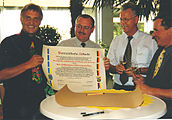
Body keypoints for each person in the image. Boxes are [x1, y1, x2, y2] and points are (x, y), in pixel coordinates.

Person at [0, 3, 49, 120]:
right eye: (28, 18)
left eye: (36, 19)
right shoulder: (8, 43)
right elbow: (1, 75)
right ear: (21, 19)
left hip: (40, 103)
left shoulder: (42, 45)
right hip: (16, 104)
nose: (31, 23)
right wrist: (28, 65)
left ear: (40, 21)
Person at [107, 2, 157, 91]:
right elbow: (110, 67)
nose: (123, 23)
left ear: (136, 19)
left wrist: (138, 70)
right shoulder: (116, 41)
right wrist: (115, 68)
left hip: (140, 88)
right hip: (118, 88)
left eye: (126, 19)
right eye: (121, 19)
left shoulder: (151, 41)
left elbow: (157, 69)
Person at [134, 14, 172, 118]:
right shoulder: (159, 50)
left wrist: (151, 91)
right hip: (154, 111)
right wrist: (144, 81)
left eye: (156, 30)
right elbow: (160, 81)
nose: (153, 35)